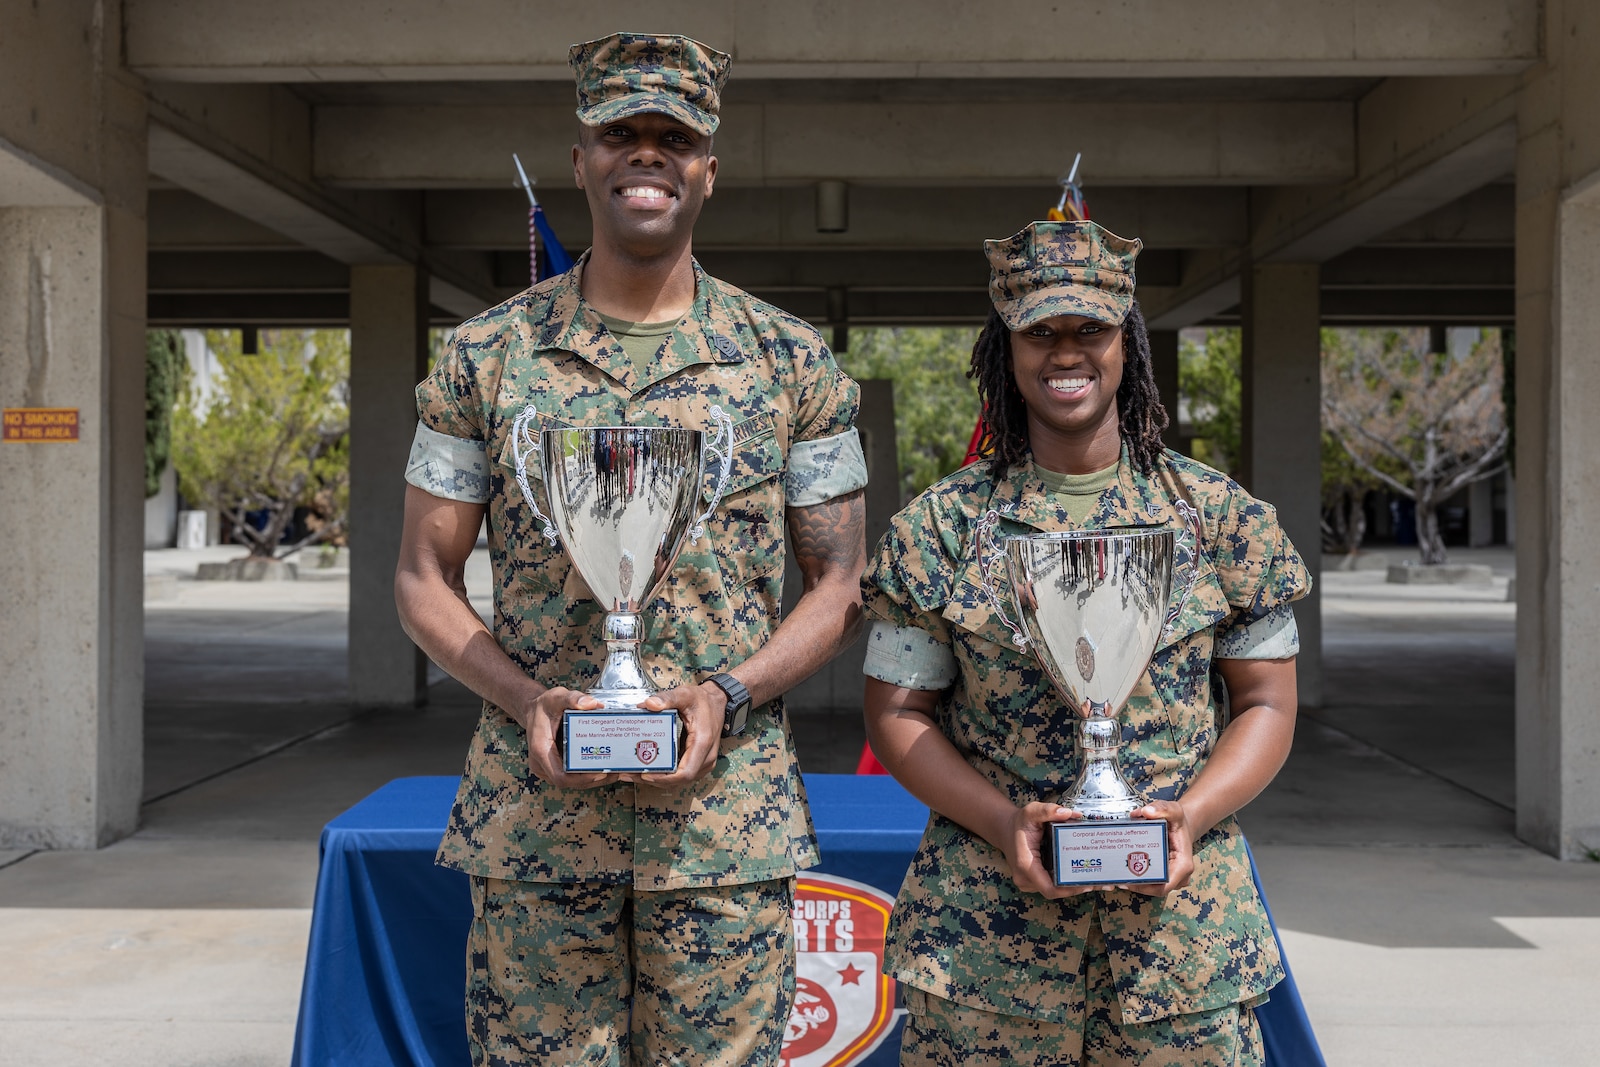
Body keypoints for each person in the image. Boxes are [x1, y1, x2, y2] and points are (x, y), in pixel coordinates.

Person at [394, 32, 868, 1067]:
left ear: (708, 169)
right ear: (581, 161)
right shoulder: (483, 357)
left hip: (722, 829)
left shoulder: (790, 364)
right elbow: (422, 576)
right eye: (620, 133)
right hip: (535, 827)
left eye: (672, 137)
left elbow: (838, 584)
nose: (644, 155)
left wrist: (727, 693)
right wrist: (528, 701)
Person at [860, 220, 1309, 1066]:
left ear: (1126, 341)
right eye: (1040, 332)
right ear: (1009, 348)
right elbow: (898, 712)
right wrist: (1004, 823)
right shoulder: (943, 529)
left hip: (1181, 954)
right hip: (987, 951)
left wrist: (1192, 815)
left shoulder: (1219, 519)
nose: (1066, 353)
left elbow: (1265, 700)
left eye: (1089, 330)